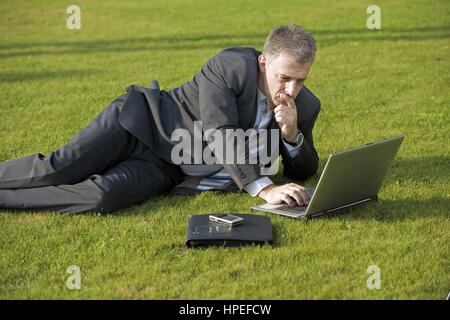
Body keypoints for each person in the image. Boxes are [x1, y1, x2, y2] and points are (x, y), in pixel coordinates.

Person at [0, 24, 321, 214]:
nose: (292, 89)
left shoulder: (304, 106)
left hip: (167, 166)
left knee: (101, 197)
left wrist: (291, 136)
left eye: (301, 80)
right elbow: (221, 132)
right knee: (59, 168)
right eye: (285, 77)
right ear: (263, 63)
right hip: (139, 125)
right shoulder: (230, 67)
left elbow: (305, 169)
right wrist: (264, 189)